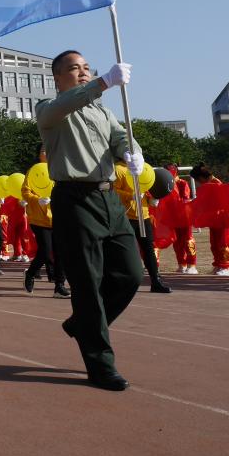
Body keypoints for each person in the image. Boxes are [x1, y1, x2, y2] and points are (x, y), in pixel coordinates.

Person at [36, 50, 144, 391]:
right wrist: (104, 82)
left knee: (130, 274)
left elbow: (119, 136)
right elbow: (66, 104)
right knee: (88, 284)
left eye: (87, 68)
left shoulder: (101, 110)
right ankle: (100, 365)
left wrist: (132, 151)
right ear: (57, 77)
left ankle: (83, 325)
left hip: (109, 198)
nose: (83, 73)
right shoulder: (49, 110)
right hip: (75, 199)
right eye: (74, 69)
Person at [114, 161, 171, 294]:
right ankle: (123, 282)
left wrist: (153, 197)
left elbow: (148, 185)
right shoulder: (118, 169)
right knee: (126, 251)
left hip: (143, 216)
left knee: (148, 249)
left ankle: (155, 281)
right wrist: (130, 196)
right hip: (126, 216)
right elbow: (112, 190)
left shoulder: (141, 167)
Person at [23, 146, 71, 297]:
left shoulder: (60, 170)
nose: (47, 153)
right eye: (44, 150)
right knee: (45, 252)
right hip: (39, 218)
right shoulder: (33, 171)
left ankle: (59, 286)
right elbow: (25, 192)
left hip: (58, 216)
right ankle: (30, 273)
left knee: (60, 252)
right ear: (39, 154)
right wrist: (38, 200)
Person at [191, 164, 229, 276]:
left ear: (201, 178)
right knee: (214, 243)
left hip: (222, 219)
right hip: (214, 219)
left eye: (198, 180)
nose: (198, 183)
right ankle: (219, 264)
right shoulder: (209, 185)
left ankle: (226, 266)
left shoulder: (217, 184)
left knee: (223, 242)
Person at [165, 164, 197, 274]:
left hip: (184, 216)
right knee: (177, 242)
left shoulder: (182, 183)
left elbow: (185, 199)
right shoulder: (166, 185)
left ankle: (192, 265)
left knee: (188, 240)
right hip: (173, 217)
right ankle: (181, 264)